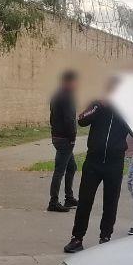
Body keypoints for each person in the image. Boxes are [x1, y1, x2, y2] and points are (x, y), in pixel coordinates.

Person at [63, 78, 130, 253]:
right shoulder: (97, 105)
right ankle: (77, 238)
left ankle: (105, 238)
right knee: (85, 200)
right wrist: (98, 106)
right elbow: (81, 120)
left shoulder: (127, 110)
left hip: (115, 163)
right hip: (93, 161)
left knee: (110, 202)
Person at [46, 70, 79, 212]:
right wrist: (72, 137)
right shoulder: (67, 96)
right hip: (65, 138)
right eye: (75, 81)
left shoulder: (56, 94)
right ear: (69, 82)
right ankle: (53, 202)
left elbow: (53, 117)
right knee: (60, 170)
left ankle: (69, 198)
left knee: (71, 167)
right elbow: (69, 119)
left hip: (58, 136)